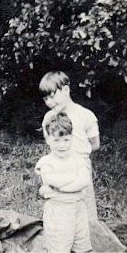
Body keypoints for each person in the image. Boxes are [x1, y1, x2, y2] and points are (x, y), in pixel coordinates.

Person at [39, 71, 100, 221]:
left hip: (80, 169)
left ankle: (88, 238)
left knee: (85, 209)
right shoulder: (48, 118)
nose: (49, 102)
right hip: (58, 167)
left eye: (52, 96)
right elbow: (49, 141)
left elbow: (95, 144)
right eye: (46, 98)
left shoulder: (85, 115)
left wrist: (77, 159)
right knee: (61, 206)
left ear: (66, 90)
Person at [35, 112, 92, 253]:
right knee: (59, 251)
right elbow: (51, 180)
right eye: (56, 140)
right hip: (58, 212)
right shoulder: (46, 162)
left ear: (72, 138)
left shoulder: (77, 159)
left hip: (78, 210)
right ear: (48, 139)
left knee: (82, 249)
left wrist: (57, 189)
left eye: (66, 140)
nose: (62, 145)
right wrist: (74, 180)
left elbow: (84, 181)